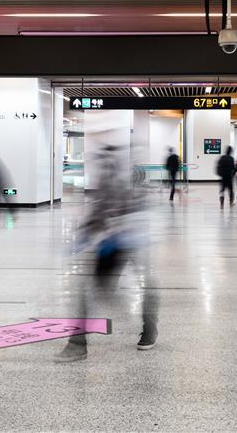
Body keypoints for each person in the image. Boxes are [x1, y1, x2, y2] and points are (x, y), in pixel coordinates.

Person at [56, 145, 158, 362]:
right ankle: (77, 344)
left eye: (107, 162)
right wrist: (82, 237)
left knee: (147, 283)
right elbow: (98, 213)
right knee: (88, 289)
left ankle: (150, 328)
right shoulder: (106, 183)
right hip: (111, 243)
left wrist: (119, 231)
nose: (104, 167)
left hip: (133, 241)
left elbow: (136, 215)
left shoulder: (132, 183)